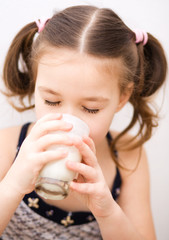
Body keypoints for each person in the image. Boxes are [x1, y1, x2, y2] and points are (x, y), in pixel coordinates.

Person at [0, 5, 167, 240]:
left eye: (91, 108)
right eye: (51, 100)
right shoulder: (8, 147)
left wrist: (107, 212)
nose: (68, 124)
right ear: (35, 83)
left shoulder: (128, 156)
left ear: (122, 97)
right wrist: (12, 185)